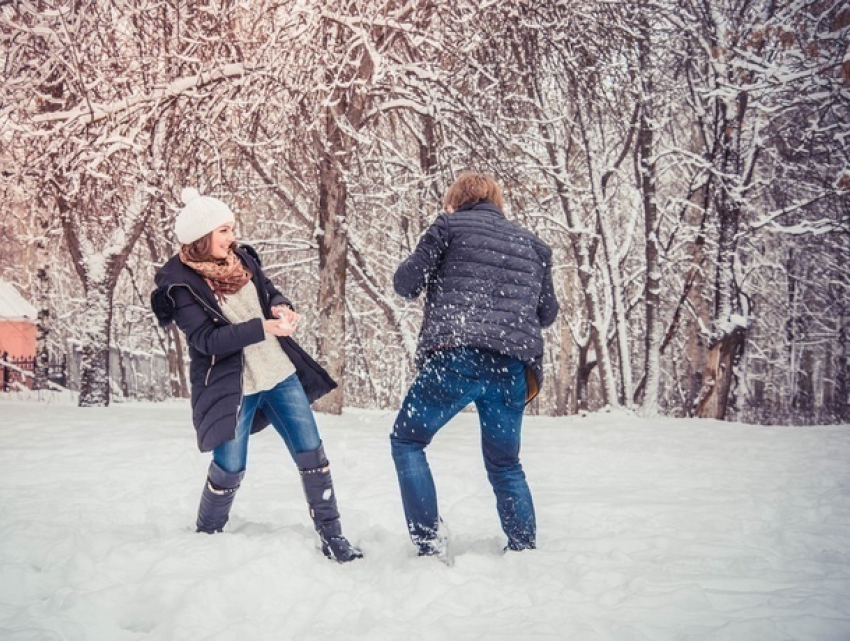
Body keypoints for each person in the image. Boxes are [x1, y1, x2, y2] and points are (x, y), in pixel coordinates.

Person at [151, 187, 362, 563]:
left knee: (312, 454)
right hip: (234, 387)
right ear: (202, 236)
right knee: (230, 466)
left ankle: (333, 538)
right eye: (223, 231)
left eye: (231, 229)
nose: (233, 237)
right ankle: (207, 537)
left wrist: (282, 309)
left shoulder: (242, 260)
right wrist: (262, 328)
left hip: (279, 373)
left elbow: (269, 292)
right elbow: (206, 340)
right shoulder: (181, 286)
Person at [390, 172, 559, 559]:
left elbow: (405, 284)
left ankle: (429, 542)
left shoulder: (448, 226)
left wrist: (440, 229)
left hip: (456, 353)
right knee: (505, 463)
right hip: (511, 365)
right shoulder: (534, 245)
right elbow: (547, 314)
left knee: (407, 441)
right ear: (497, 202)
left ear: (455, 201)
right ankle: (524, 549)